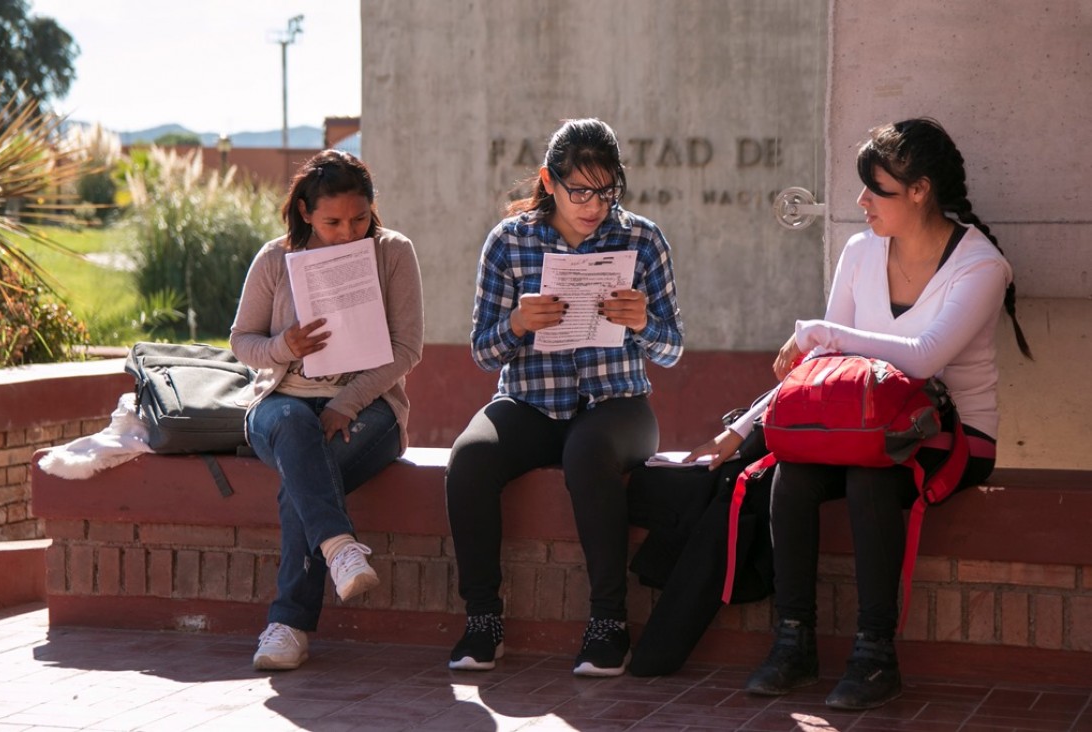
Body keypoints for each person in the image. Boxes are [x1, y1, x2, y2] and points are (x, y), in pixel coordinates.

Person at [687, 118, 1032, 709]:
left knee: (872, 478)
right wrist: (742, 429)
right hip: (862, 428)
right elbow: (823, 371)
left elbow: (923, 360)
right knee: (791, 475)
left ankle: (876, 656)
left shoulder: (980, 266)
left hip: (950, 436)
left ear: (919, 190)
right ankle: (793, 642)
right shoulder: (858, 251)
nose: (860, 201)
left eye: (876, 189)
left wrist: (826, 331)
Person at [445, 118, 684, 677]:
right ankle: (483, 621)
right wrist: (517, 323)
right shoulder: (510, 241)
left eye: (606, 191)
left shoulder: (642, 239)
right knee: (470, 457)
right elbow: (482, 353)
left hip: (619, 406)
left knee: (587, 451)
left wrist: (644, 323)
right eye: (580, 190)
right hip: (530, 403)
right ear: (550, 183)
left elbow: (672, 350)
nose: (594, 205)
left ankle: (609, 623)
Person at [230, 150, 424, 671]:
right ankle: (340, 548)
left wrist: (345, 403)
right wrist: (285, 346)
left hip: (369, 409)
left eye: (359, 218)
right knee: (297, 430)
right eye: (333, 220)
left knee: (307, 476)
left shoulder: (393, 253)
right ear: (305, 211)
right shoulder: (276, 259)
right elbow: (241, 341)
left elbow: (407, 349)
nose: (347, 231)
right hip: (280, 402)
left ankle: (289, 625)